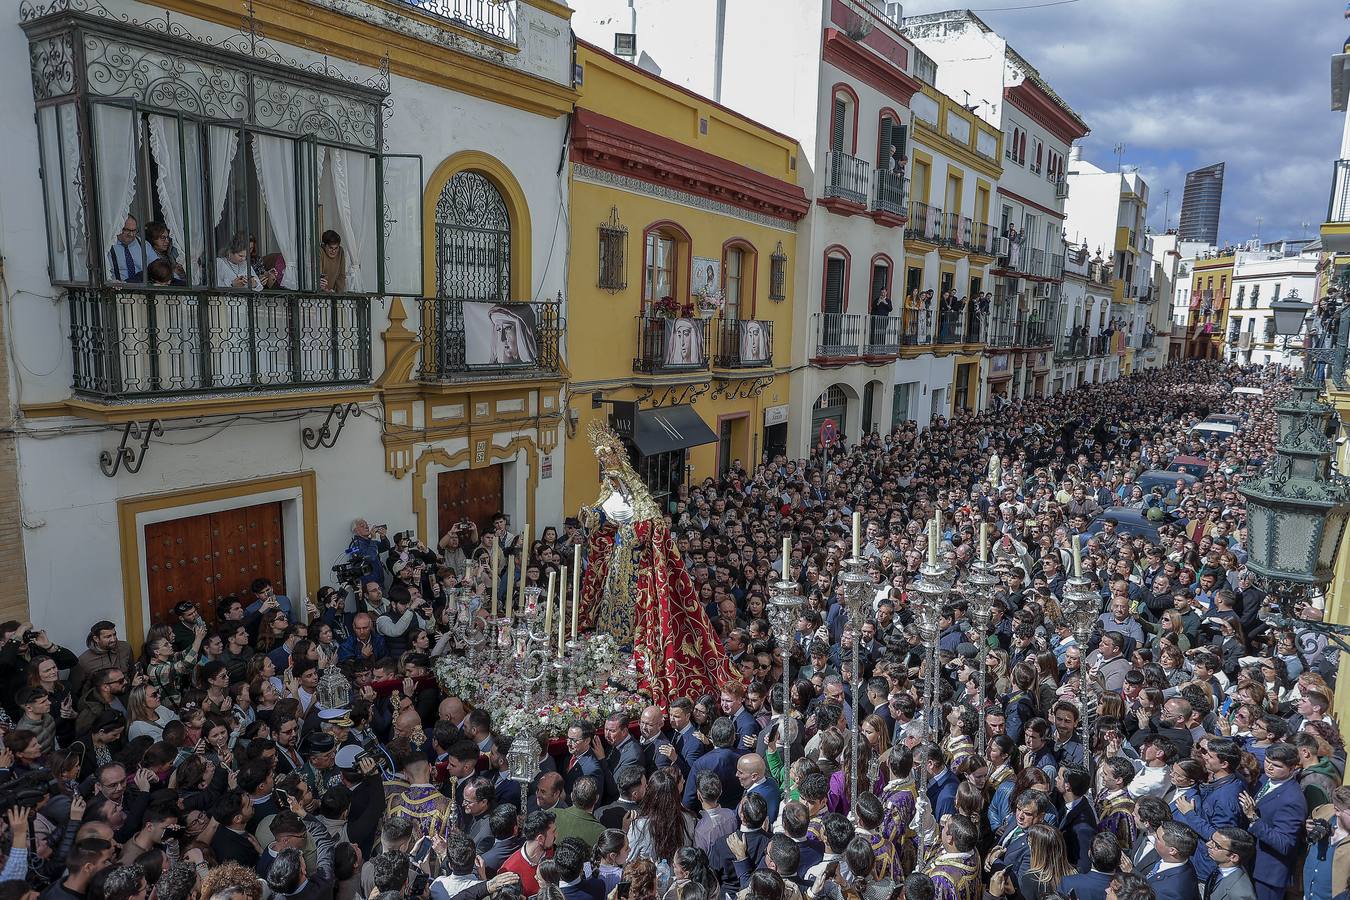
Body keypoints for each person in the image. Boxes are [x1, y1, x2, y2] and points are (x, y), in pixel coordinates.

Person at [575, 422, 739, 706]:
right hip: (617, 563)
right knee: (611, 604)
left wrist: (637, 531)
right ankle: (610, 645)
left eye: (613, 475)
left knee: (634, 610)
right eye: (605, 472)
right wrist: (592, 517)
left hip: (640, 569)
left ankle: (634, 650)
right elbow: (603, 519)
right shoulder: (610, 495)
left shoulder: (642, 501)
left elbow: (654, 531)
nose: (610, 481)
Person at [107, 215, 149, 283]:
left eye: (134, 230)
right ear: (119, 228)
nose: (131, 234)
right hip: (119, 290)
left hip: (142, 288)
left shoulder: (143, 244)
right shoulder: (108, 245)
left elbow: (156, 266)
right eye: (127, 230)